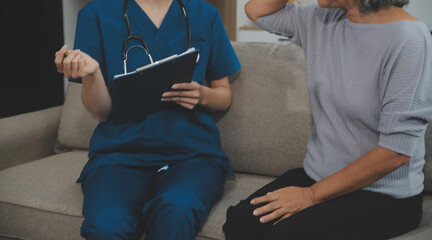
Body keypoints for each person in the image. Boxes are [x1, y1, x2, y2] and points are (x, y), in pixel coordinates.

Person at [223, 0, 432, 239]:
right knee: (239, 223)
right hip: (319, 175)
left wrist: (310, 196)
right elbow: (255, 11)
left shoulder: (410, 39)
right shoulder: (321, 18)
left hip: (384, 194)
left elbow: (395, 153)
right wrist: (311, 190)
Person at [54, 0, 240, 239]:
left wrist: (203, 95)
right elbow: (101, 113)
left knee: (177, 209)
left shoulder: (205, 14)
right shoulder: (95, 14)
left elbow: (224, 96)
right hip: (120, 155)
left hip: (192, 155)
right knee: (106, 225)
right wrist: (92, 74)